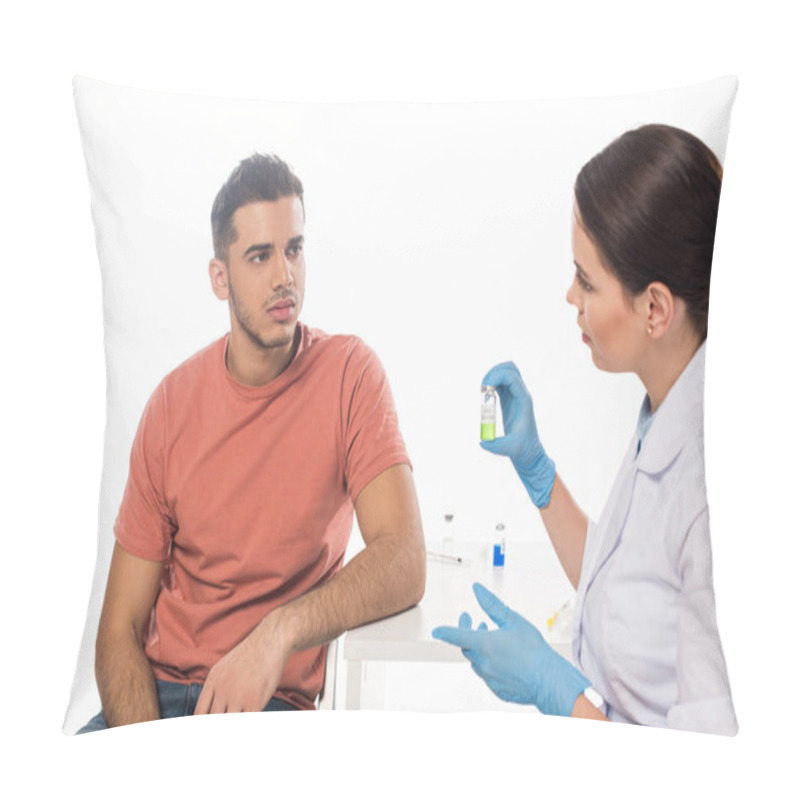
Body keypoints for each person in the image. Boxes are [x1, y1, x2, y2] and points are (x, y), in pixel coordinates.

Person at [78, 154, 425, 730]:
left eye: (294, 249)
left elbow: (405, 559)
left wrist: (279, 632)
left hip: (265, 707)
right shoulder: (171, 406)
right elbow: (118, 630)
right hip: (154, 703)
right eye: (260, 256)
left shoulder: (350, 375)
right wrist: (142, 761)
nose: (284, 275)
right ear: (221, 277)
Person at [432, 125, 738, 735]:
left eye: (588, 280)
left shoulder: (713, 490)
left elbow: (705, 769)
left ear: (654, 308)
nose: (570, 295)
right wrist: (536, 470)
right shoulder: (666, 405)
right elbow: (622, 587)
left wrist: (555, 690)